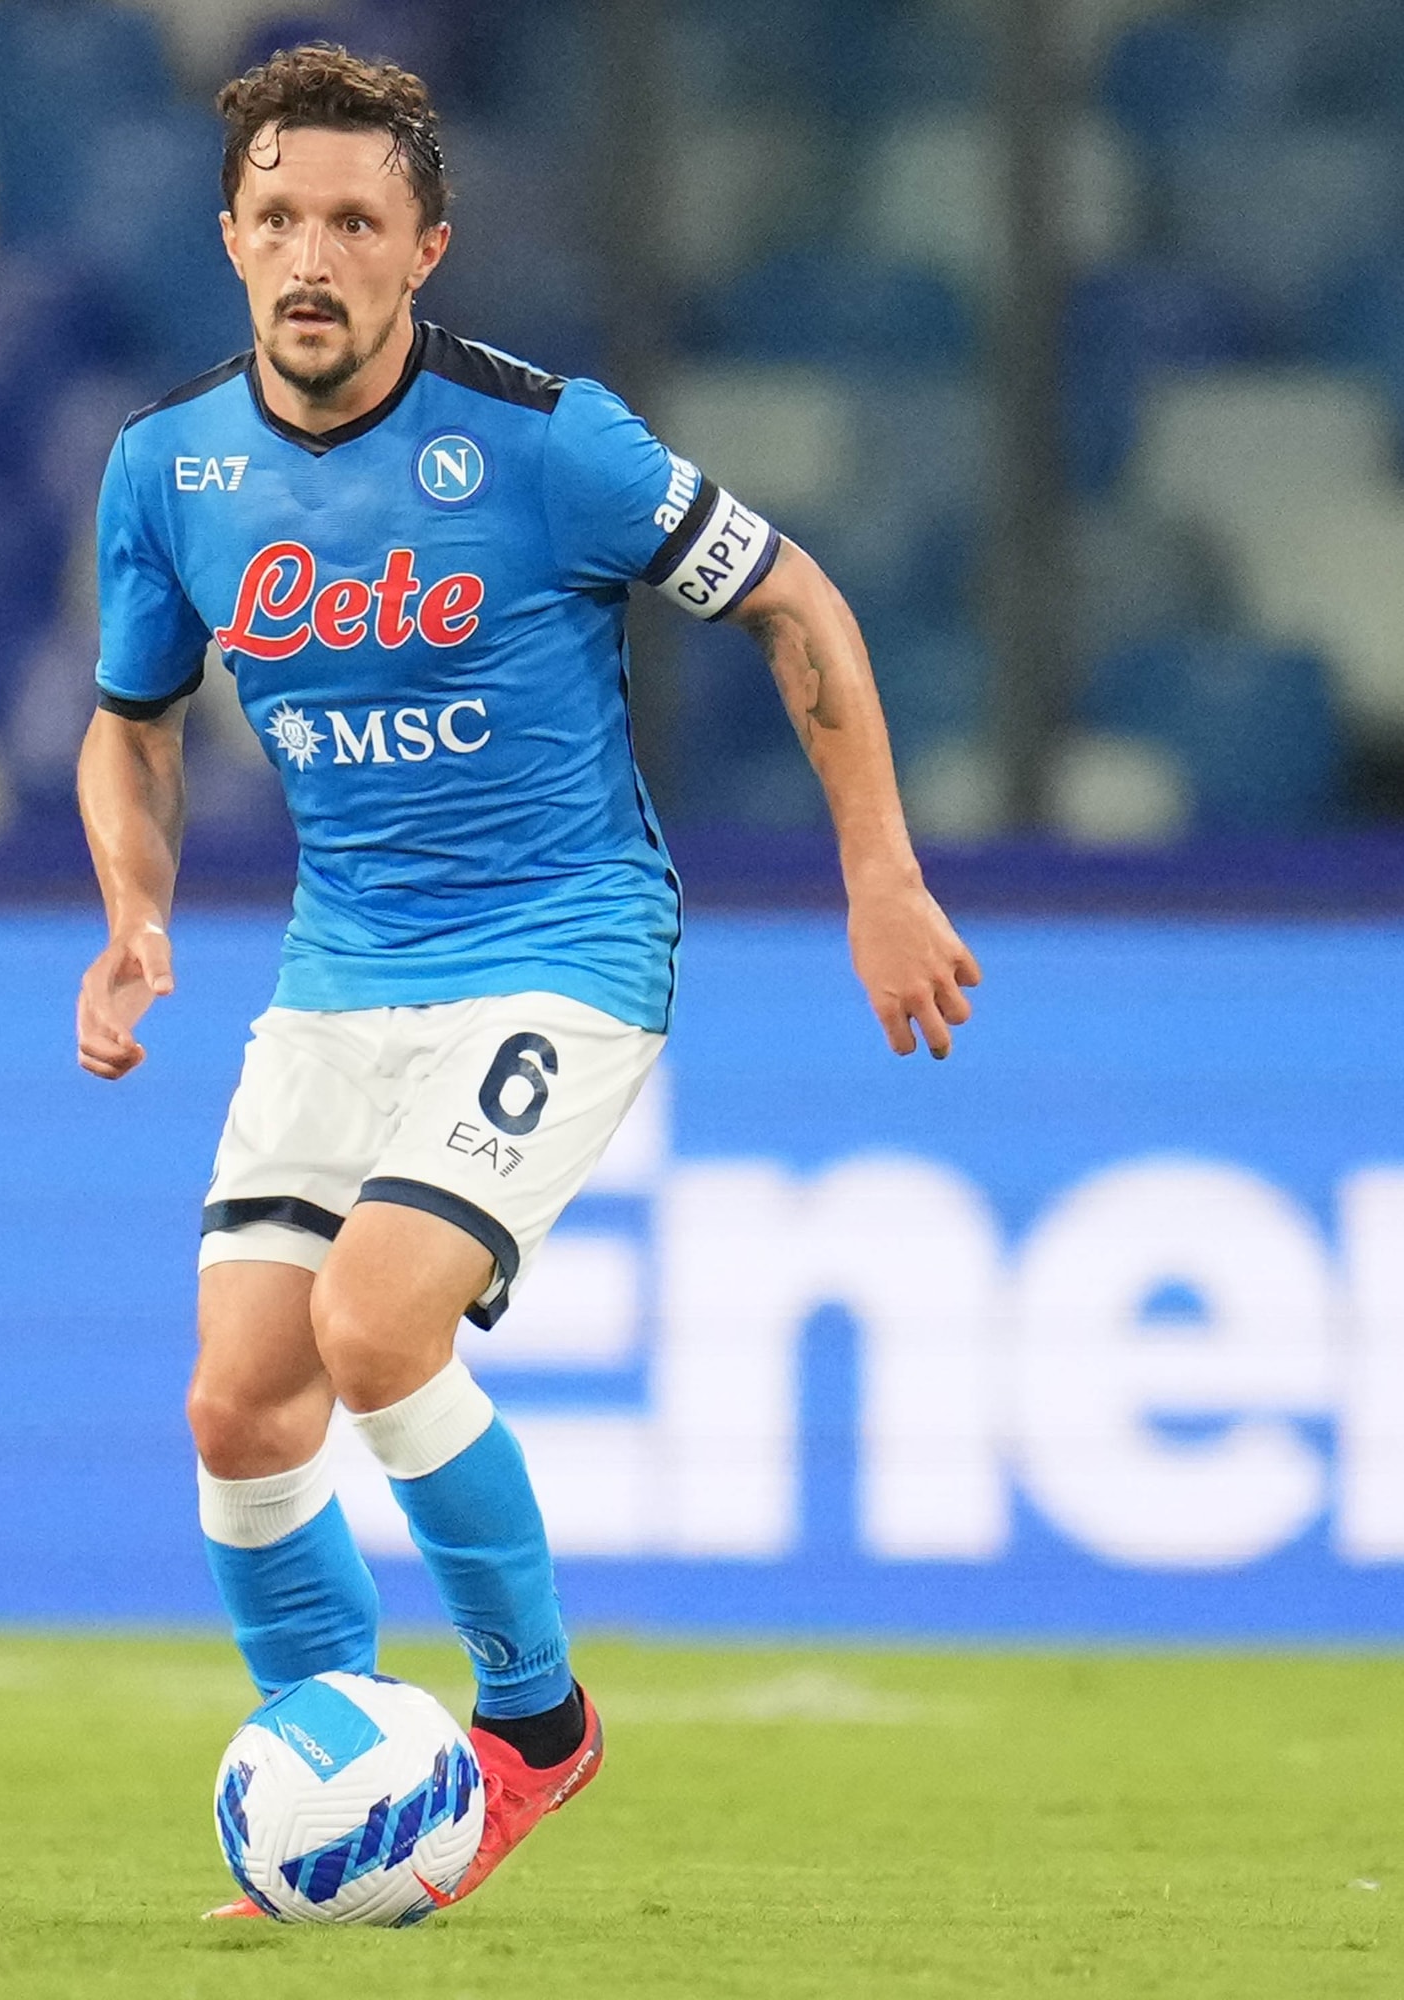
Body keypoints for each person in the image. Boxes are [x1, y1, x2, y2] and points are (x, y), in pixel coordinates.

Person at [75, 43, 980, 1916]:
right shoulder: (167, 469)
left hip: (560, 949)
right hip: (339, 973)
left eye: (356, 222)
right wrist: (133, 914)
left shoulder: (554, 443)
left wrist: (880, 875)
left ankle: (537, 1725)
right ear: (230, 237)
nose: (312, 255)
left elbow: (793, 598)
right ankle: (340, 1780)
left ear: (428, 248)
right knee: (239, 1408)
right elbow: (132, 723)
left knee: (374, 1327)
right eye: (278, 218)